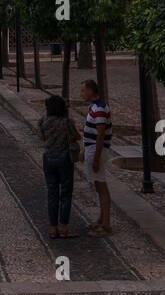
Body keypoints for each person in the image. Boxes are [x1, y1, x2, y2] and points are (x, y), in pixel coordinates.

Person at [39, 94, 79, 239]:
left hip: (48, 158)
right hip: (64, 159)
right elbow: (76, 136)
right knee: (66, 193)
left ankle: (52, 228)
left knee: (52, 193)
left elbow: (42, 137)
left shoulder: (43, 120)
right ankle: (63, 227)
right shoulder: (66, 121)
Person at [80, 79, 113, 236]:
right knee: (99, 186)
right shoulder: (95, 107)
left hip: (96, 150)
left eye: (83, 90)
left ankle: (106, 225)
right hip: (92, 148)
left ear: (91, 91)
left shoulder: (99, 109)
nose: (82, 93)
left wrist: (95, 158)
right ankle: (101, 219)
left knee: (101, 186)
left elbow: (100, 135)